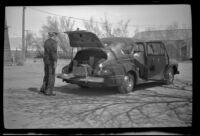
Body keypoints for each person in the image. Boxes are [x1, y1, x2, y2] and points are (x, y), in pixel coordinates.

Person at [40, 32, 58, 96]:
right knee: (51, 75)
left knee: (46, 74)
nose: (56, 37)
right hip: (51, 61)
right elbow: (54, 52)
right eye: (56, 35)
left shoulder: (46, 42)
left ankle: (43, 88)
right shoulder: (54, 42)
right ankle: (49, 91)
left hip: (46, 60)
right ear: (54, 36)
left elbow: (46, 52)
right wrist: (55, 61)